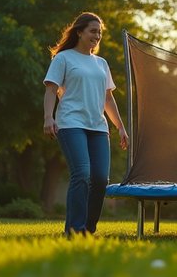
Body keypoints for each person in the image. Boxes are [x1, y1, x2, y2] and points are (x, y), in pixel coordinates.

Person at [43, 12, 129, 237]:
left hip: (98, 127)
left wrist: (120, 126)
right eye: (93, 31)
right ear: (79, 32)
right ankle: (74, 231)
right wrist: (48, 117)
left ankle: (88, 231)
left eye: (99, 32)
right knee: (81, 173)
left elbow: (108, 98)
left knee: (100, 179)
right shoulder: (63, 58)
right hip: (71, 123)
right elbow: (51, 89)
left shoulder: (101, 63)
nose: (97, 35)